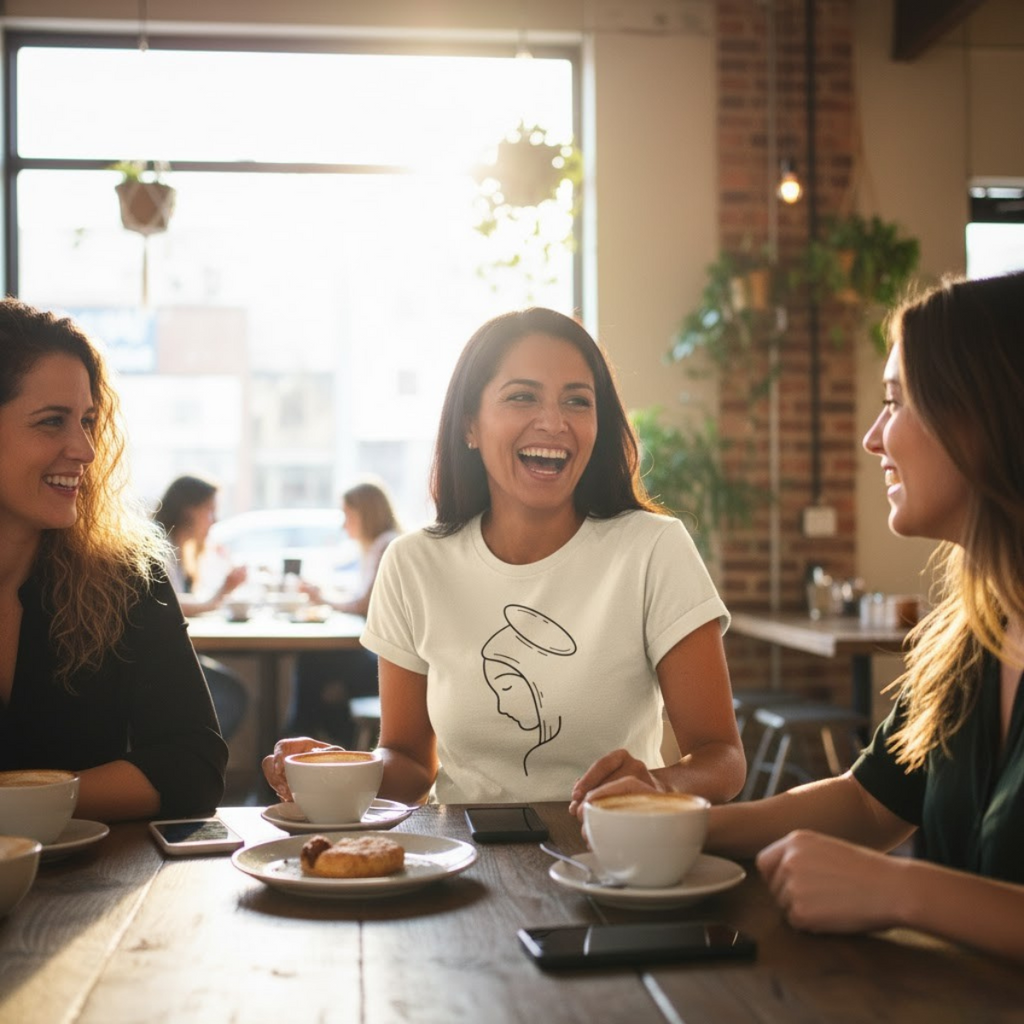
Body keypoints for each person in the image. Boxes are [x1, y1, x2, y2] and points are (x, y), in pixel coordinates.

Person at [575, 271, 1024, 964]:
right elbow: (869, 803)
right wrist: (675, 820)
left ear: (987, 414)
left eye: (897, 402)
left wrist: (902, 890)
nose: (873, 439)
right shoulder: (973, 640)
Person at [264, 306, 745, 807]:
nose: (555, 422)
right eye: (522, 397)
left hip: (608, 858)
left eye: (578, 402)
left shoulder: (653, 549)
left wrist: (660, 784)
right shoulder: (413, 563)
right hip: (461, 862)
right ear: (470, 425)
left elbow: (723, 759)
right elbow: (407, 762)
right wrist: (339, 771)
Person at [0, 298, 227, 822]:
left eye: (87, 421)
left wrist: (22, 804)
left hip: (92, 893)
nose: (84, 448)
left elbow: (193, 764)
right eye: (52, 422)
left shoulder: (124, 576)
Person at [284, 480, 402, 746]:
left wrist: (322, 597)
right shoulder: (381, 544)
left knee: (312, 663)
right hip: (387, 654)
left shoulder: (386, 545)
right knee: (321, 689)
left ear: (365, 514)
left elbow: (363, 604)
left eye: (347, 515)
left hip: (392, 661)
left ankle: (296, 736)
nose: (343, 524)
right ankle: (315, 740)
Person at [153, 474, 247, 616]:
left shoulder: (181, 550)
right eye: (210, 510)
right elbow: (163, 604)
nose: (215, 520)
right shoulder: (158, 547)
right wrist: (218, 596)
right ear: (188, 511)